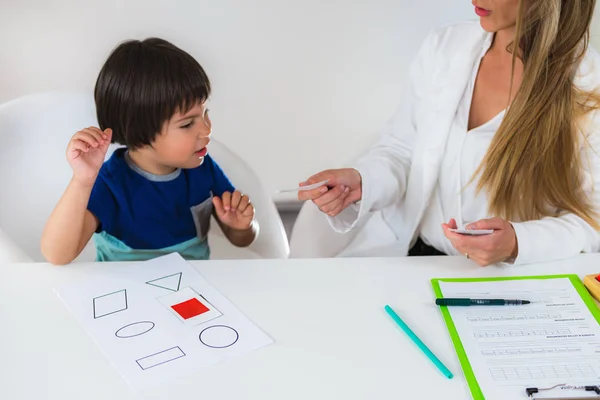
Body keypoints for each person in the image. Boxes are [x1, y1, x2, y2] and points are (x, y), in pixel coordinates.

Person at [299, 0, 600, 266]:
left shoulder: (588, 84)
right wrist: (365, 181)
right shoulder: (444, 46)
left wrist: (518, 242)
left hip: (508, 279)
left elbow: (593, 221)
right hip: (413, 260)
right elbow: (402, 150)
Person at [41, 38, 258, 264]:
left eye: (204, 114)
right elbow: (57, 255)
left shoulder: (203, 168)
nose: (206, 129)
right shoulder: (110, 183)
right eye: (187, 124)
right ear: (139, 132)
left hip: (192, 287)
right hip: (124, 291)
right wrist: (82, 180)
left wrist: (242, 227)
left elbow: (243, 239)